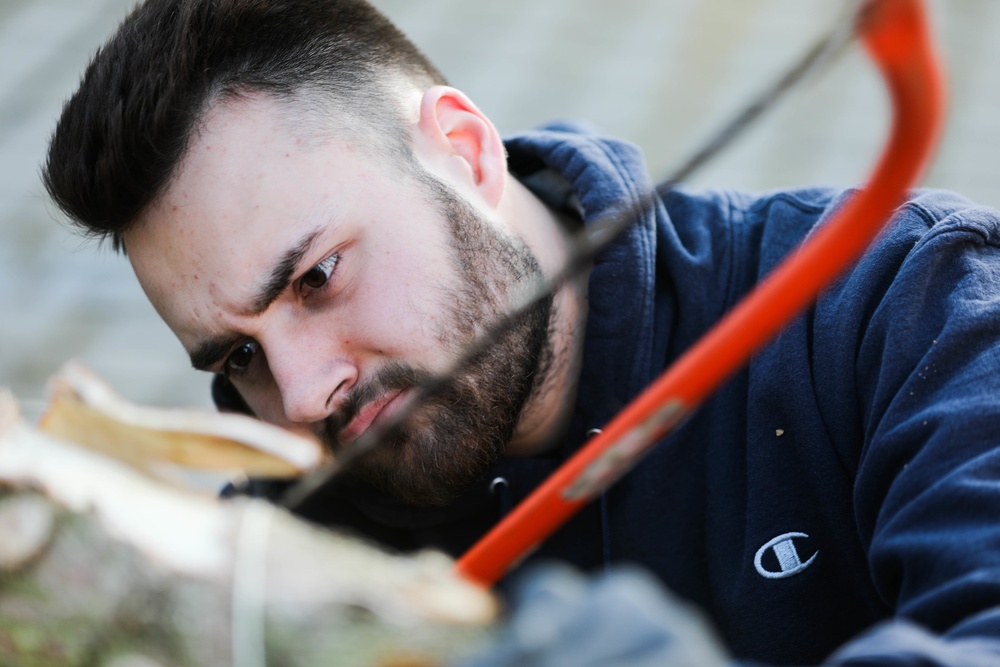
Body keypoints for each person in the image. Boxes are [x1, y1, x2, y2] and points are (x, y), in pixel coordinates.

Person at [43, 0, 1000, 665]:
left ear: (464, 151)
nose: (299, 398)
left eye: (318, 277)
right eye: (238, 357)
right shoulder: (273, 548)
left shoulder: (897, 304)